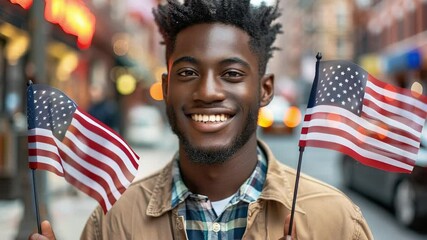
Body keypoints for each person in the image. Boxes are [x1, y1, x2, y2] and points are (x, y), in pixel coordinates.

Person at [30, 0, 373, 239]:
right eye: (189, 72)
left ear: (264, 89)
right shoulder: (113, 222)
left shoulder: (337, 222)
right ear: (166, 88)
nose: (207, 91)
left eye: (232, 74)